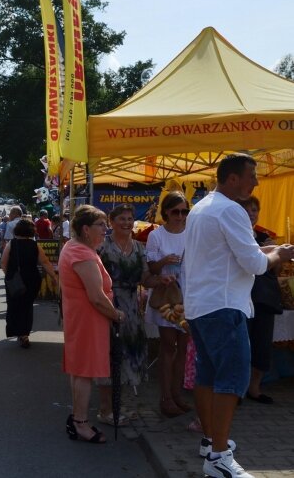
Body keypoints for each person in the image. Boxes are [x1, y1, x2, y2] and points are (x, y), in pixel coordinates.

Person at [183, 154, 294, 478]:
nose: (256, 182)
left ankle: (211, 442)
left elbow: (227, 253)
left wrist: (264, 252)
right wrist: (279, 254)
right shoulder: (231, 210)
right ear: (233, 179)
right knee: (232, 381)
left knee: (208, 377)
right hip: (223, 305)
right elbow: (255, 265)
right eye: (252, 176)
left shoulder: (202, 207)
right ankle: (218, 457)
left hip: (202, 305)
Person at [61, 205, 122, 444]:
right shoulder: (82, 253)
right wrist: (116, 314)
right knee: (84, 372)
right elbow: (96, 296)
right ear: (86, 229)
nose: (106, 230)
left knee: (79, 371)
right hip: (88, 320)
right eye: (101, 225)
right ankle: (81, 423)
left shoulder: (74, 247)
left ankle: (78, 418)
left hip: (81, 318)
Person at [96, 204, 160, 425]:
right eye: (121, 219)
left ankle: (117, 405)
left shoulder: (139, 248)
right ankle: (105, 410)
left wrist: (162, 280)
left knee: (127, 356)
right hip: (108, 304)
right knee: (109, 357)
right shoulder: (102, 247)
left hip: (132, 307)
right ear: (111, 222)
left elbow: (145, 279)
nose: (126, 223)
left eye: (129, 218)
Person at [145, 191, 191, 418]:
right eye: (176, 211)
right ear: (166, 212)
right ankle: (165, 397)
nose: (180, 216)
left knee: (183, 347)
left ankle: (177, 393)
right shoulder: (157, 235)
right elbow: (151, 269)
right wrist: (165, 261)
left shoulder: (191, 233)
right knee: (168, 346)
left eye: (184, 211)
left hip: (187, 296)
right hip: (166, 296)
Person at [238, 196, 282, 404]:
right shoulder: (236, 236)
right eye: (248, 209)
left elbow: (277, 270)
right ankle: (236, 391)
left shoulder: (266, 237)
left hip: (264, 299)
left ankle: (254, 389)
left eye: (255, 209)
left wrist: (276, 254)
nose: (252, 213)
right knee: (241, 345)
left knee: (262, 346)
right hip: (241, 298)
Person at [0, 218, 57, 348]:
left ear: (17, 230)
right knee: (27, 306)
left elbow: (3, 263)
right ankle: (25, 333)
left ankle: (18, 331)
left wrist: (10, 276)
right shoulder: (34, 245)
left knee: (14, 305)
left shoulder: (11, 244)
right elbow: (45, 262)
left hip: (14, 280)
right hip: (32, 279)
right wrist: (54, 277)